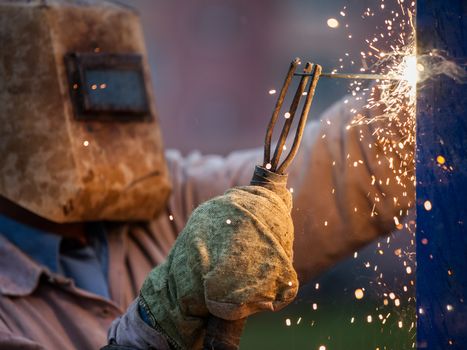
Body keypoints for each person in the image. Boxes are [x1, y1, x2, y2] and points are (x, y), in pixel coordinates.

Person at [0, 1, 413, 349]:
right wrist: (154, 324)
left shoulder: (166, 196)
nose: (109, 126)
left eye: (118, 95)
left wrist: (415, 108)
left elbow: (330, 173)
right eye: (87, 101)